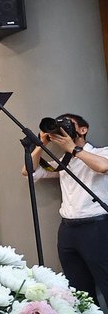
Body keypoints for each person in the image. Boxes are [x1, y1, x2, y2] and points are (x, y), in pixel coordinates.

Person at [27, 113, 108, 301]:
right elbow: (28, 171)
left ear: (83, 129)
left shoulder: (102, 152)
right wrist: (41, 145)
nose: (61, 128)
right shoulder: (64, 162)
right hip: (68, 231)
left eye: (67, 124)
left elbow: (103, 167)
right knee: (78, 289)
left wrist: (74, 148)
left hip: (96, 227)